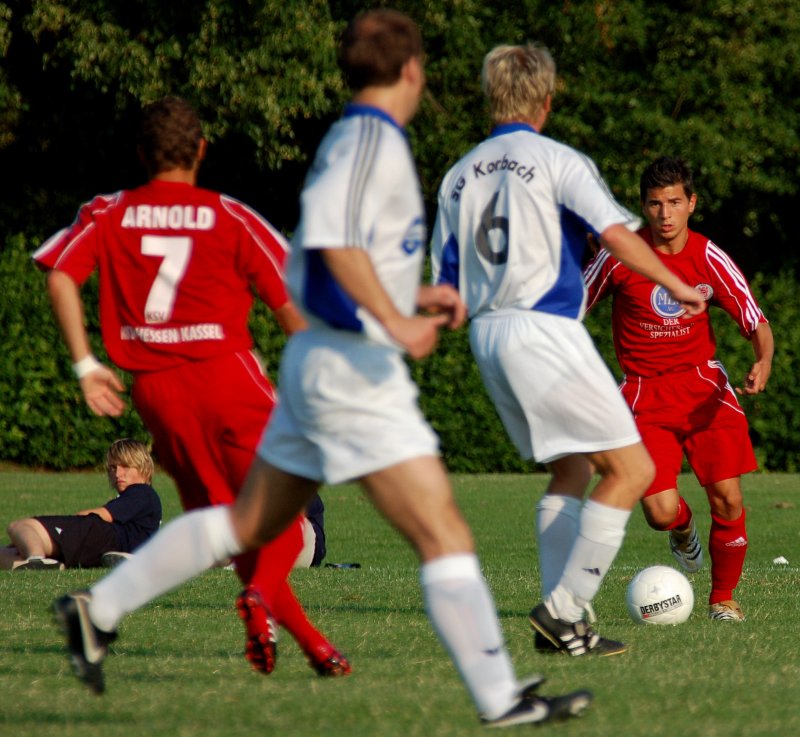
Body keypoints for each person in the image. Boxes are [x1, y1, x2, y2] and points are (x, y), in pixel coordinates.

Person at [52, 10, 592, 726]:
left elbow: (330, 260)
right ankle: (501, 700)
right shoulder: (374, 139)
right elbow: (336, 247)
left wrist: (411, 295)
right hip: (352, 369)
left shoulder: (355, 136)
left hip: (322, 363)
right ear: (412, 71)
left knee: (243, 522)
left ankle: (98, 610)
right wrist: (397, 319)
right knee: (442, 531)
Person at [34, 96, 350, 678]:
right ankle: (242, 601)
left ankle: (314, 645)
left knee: (226, 525)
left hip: (158, 391)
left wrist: (85, 364)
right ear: (202, 151)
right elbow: (292, 307)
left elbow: (60, 274)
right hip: (226, 376)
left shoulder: (107, 211)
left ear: (140, 154)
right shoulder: (229, 215)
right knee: (287, 507)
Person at [429, 44, 707, 656]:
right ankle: (564, 609)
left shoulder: (458, 175)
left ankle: (562, 626)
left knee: (572, 469)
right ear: (547, 101)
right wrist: (676, 283)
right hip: (543, 329)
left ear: (490, 98)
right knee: (633, 471)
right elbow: (617, 235)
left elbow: (446, 287)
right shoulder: (557, 161)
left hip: (488, 336)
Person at [584, 156, 773, 621]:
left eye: (673, 202)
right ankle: (682, 529)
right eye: (655, 204)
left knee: (728, 498)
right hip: (643, 396)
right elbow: (572, 307)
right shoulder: (621, 254)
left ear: (692, 203)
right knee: (660, 512)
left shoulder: (709, 257)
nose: (665, 213)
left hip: (704, 390)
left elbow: (755, 319)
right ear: (643, 207)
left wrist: (763, 359)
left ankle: (723, 599)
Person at [1, 438, 161, 571]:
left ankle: (36, 559)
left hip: (96, 536)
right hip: (99, 547)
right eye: (113, 468)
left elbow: (103, 515)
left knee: (21, 526)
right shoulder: (141, 500)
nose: (117, 474)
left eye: (125, 466)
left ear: (143, 467)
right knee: (6, 552)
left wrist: (72, 523)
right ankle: (44, 564)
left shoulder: (142, 492)